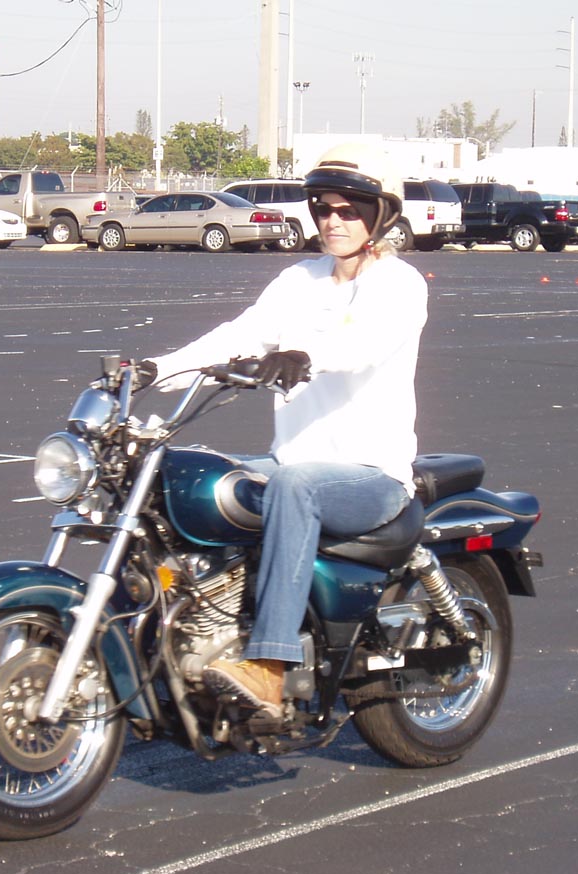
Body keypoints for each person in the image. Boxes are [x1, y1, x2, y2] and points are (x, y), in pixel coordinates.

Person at [138, 143, 430, 715]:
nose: (333, 220)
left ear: (381, 216)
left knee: (295, 486)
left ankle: (269, 667)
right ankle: (190, 628)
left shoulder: (401, 285)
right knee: (185, 479)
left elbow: (364, 344)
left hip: (371, 474)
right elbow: (238, 335)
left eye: (349, 210)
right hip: (291, 458)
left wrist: (303, 356)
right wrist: (154, 370)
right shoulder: (300, 278)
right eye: (323, 208)